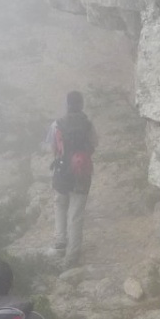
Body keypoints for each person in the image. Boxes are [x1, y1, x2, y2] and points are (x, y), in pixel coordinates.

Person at [50, 90, 98, 268]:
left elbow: (54, 148)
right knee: (76, 214)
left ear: (67, 104)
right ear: (81, 104)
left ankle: (60, 241)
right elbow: (94, 144)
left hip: (62, 172)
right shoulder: (88, 124)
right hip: (81, 173)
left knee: (60, 204)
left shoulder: (57, 124)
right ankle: (72, 256)